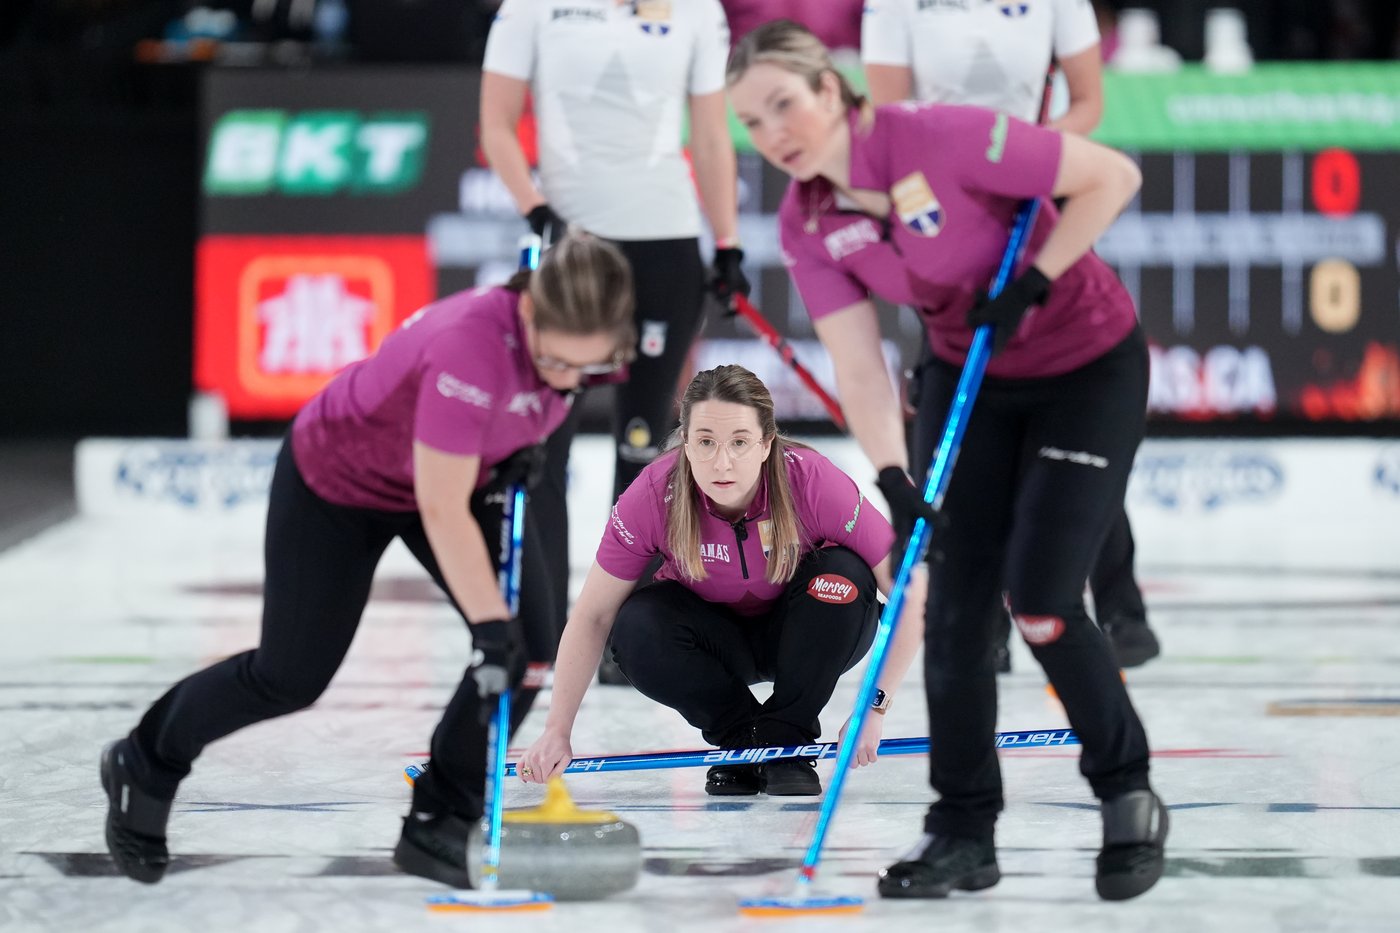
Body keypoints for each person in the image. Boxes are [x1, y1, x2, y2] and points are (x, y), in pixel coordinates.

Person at [727, 21, 1168, 901]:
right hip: (969, 378)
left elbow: (1111, 177)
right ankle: (962, 828)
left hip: (1085, 365)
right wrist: (891, 470)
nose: (773, 132)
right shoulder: (807, 220)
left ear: (833, 91)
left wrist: (1035, 279)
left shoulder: (939, 134)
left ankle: (1127, 793)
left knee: (1040, 601)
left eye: (784, 103)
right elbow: (857, 360)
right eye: (752, 121)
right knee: (956, 616)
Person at [99, 233, 637, 888]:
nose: (565, 378)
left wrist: (516, 448)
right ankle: (146, 758)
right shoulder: (468, 348)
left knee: (526, 652)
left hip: (454, 474)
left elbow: (526, 418)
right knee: (291, 673)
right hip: (341, 484)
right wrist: (490, 626)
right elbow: (440, 508)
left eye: (584, 368)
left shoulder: (578, 345)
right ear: (528, 314)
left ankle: (440, 813)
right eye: (553, 359)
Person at [862, 0, 1161, 672]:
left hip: (1033, 186)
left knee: (1067, 393)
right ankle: (984, 615)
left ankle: (1120, 602)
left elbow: (1088, 101)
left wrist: (1025, 161)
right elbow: (890, 118)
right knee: (964, 396)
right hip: (937, 207)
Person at [480, 0, 751, 683]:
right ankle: (549, 630)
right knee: (548, 444)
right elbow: (495, 124)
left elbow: (712, 136)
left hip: (664, 247)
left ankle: (626, 632)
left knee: (642, 443)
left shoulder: (695, 10)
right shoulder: (532, 9)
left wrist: (726, 242)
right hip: (574, 246)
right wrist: (537, 210)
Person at [516, 364, 898, 797]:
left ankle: (785, 738)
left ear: (766, 443)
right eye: (705, 442)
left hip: (810, 634)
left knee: (842, 575)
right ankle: (740, 740)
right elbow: (592, 616)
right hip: (716, 645)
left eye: (739, 443)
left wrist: (875, 707)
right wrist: (556, 729)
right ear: (685, 442)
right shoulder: (652, 494)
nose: (722, 462)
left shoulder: (813, 481)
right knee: (636, 624)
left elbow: (911, 593)